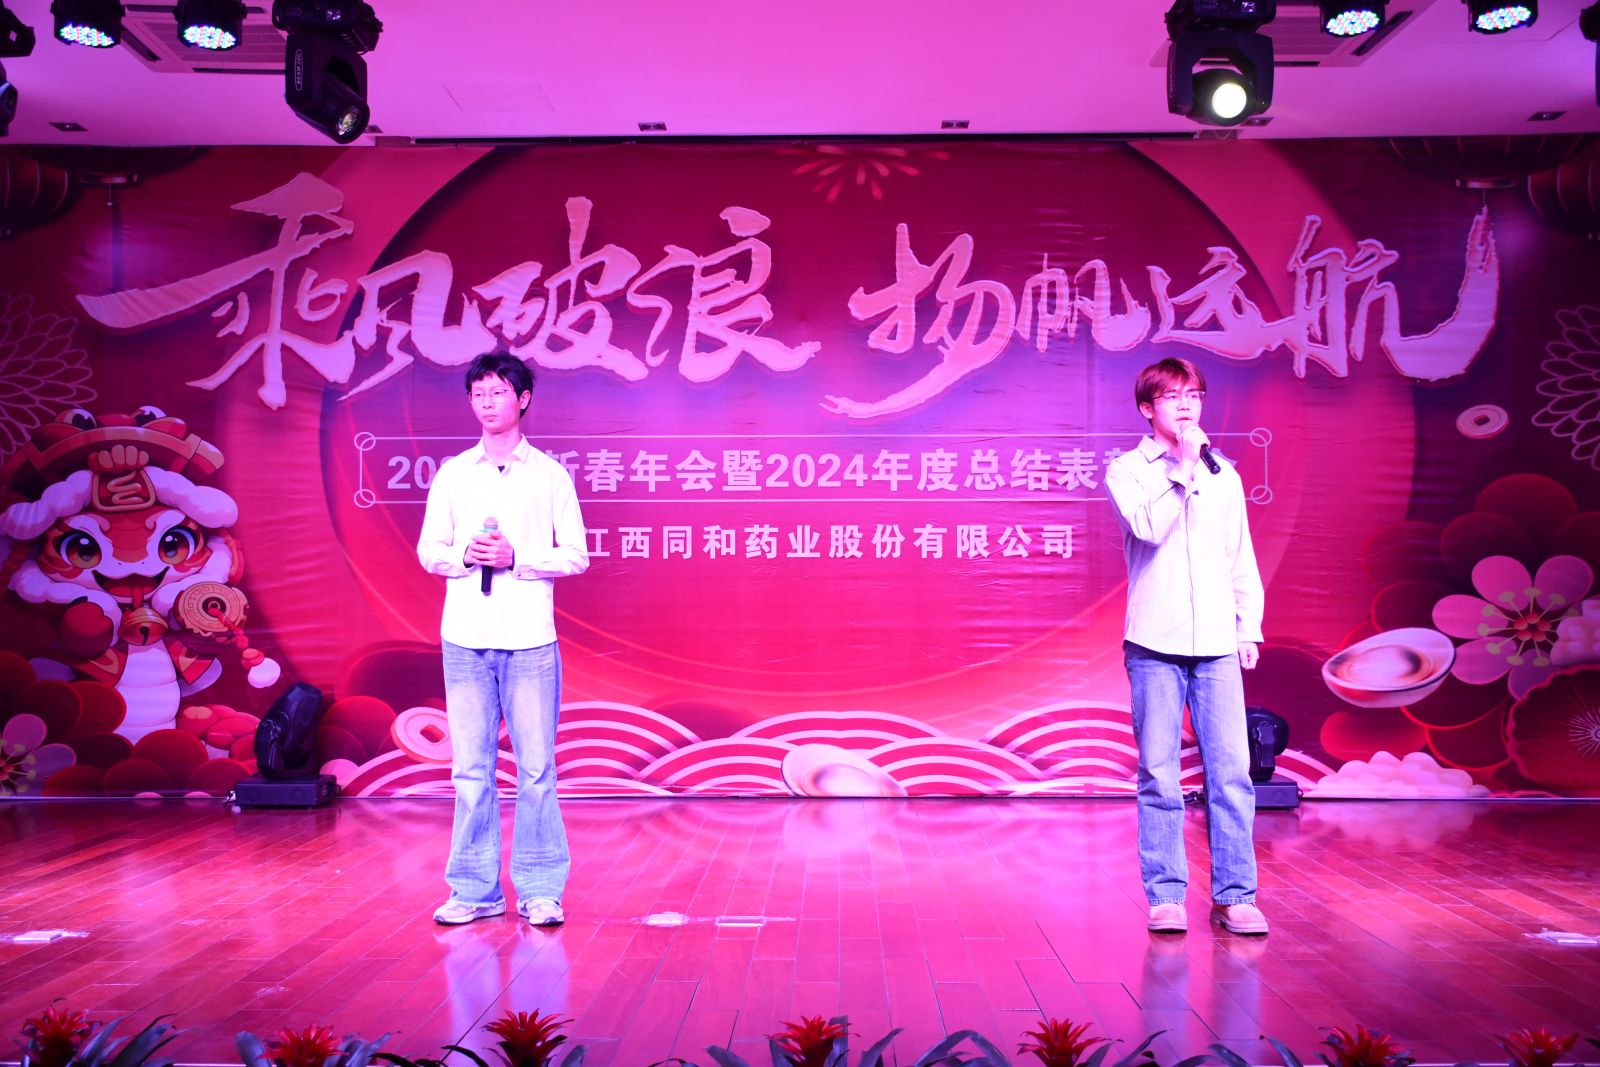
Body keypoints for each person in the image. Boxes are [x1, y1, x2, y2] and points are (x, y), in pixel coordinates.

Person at [417, 352, 589, 927]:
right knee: (471, 770)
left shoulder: (549, 475)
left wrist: (518, 558)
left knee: (535, 770)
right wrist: (464, 555)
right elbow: (429, 550)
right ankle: (474, 891)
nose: (488, 403)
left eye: (498, 393)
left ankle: (541, 890)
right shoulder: (453, 473)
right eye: (479, 394)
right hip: (465, 638)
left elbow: (576, 555)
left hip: (529, 639)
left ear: (523, 399)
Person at [1104, 357, 1267, 936]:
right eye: (1172, 396)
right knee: (1159, 772)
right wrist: (1184, 467)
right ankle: (1167, 895)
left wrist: (1248, 626)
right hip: (1155, 640)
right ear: (1147, 409)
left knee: (1232, 773)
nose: (1186, 405)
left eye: (1193, 395)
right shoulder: (1127, 470)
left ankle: (1235, 896)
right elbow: (1148, 528)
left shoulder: (1226, 475)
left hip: (1218, 641)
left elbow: (1239, 554)